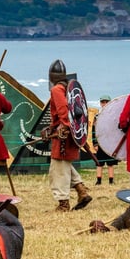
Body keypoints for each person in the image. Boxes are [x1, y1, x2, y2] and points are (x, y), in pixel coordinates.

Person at [41, 59, 93, 212]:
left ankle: (63, 203)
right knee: (64, 165)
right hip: (69, 132)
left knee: (58, 169)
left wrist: (64, 127)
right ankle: (81, 191)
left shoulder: (57, 89)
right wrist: (52, 128)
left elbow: (64, 111)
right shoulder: (66, 88)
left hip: (63, 134)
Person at [93, 94, 119, 185]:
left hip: (110, 143)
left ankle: (111, 180)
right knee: (99, 163)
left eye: (106, 102)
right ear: (100, 103)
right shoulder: (97, 116)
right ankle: (98, 180)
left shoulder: (114, 116)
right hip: (100, 142)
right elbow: (94, 130)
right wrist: (95, 143)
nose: (104, 104)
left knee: (110, 163)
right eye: (102, 102)